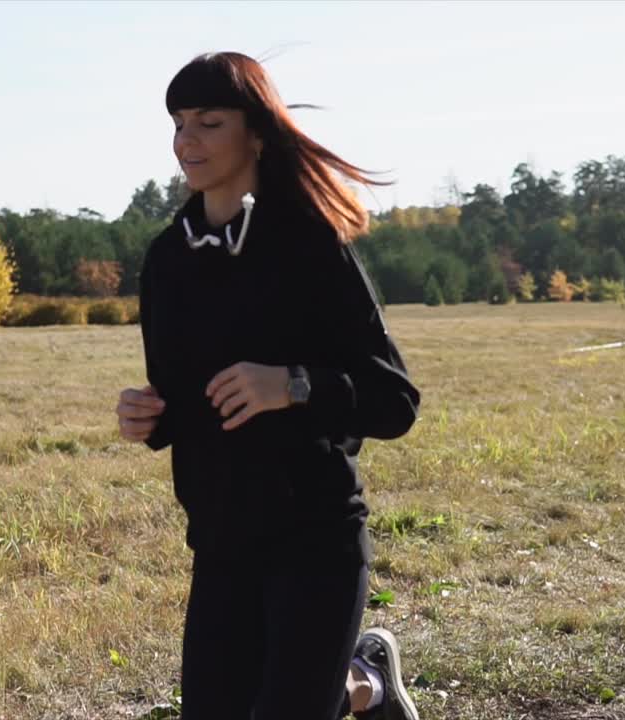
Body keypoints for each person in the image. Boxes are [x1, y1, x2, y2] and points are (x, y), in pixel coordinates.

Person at [115, 51, 422, 720]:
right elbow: (183, 399)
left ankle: (355, 678)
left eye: (208, 122)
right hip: (220, 541)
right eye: (177, 123)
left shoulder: (308, 245)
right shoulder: (168, 259)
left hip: (315, 537)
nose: (185, 141)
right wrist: (148, 417)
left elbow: (395, 401)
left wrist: (294, 385)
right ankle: (364, 684)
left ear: (255, 133)